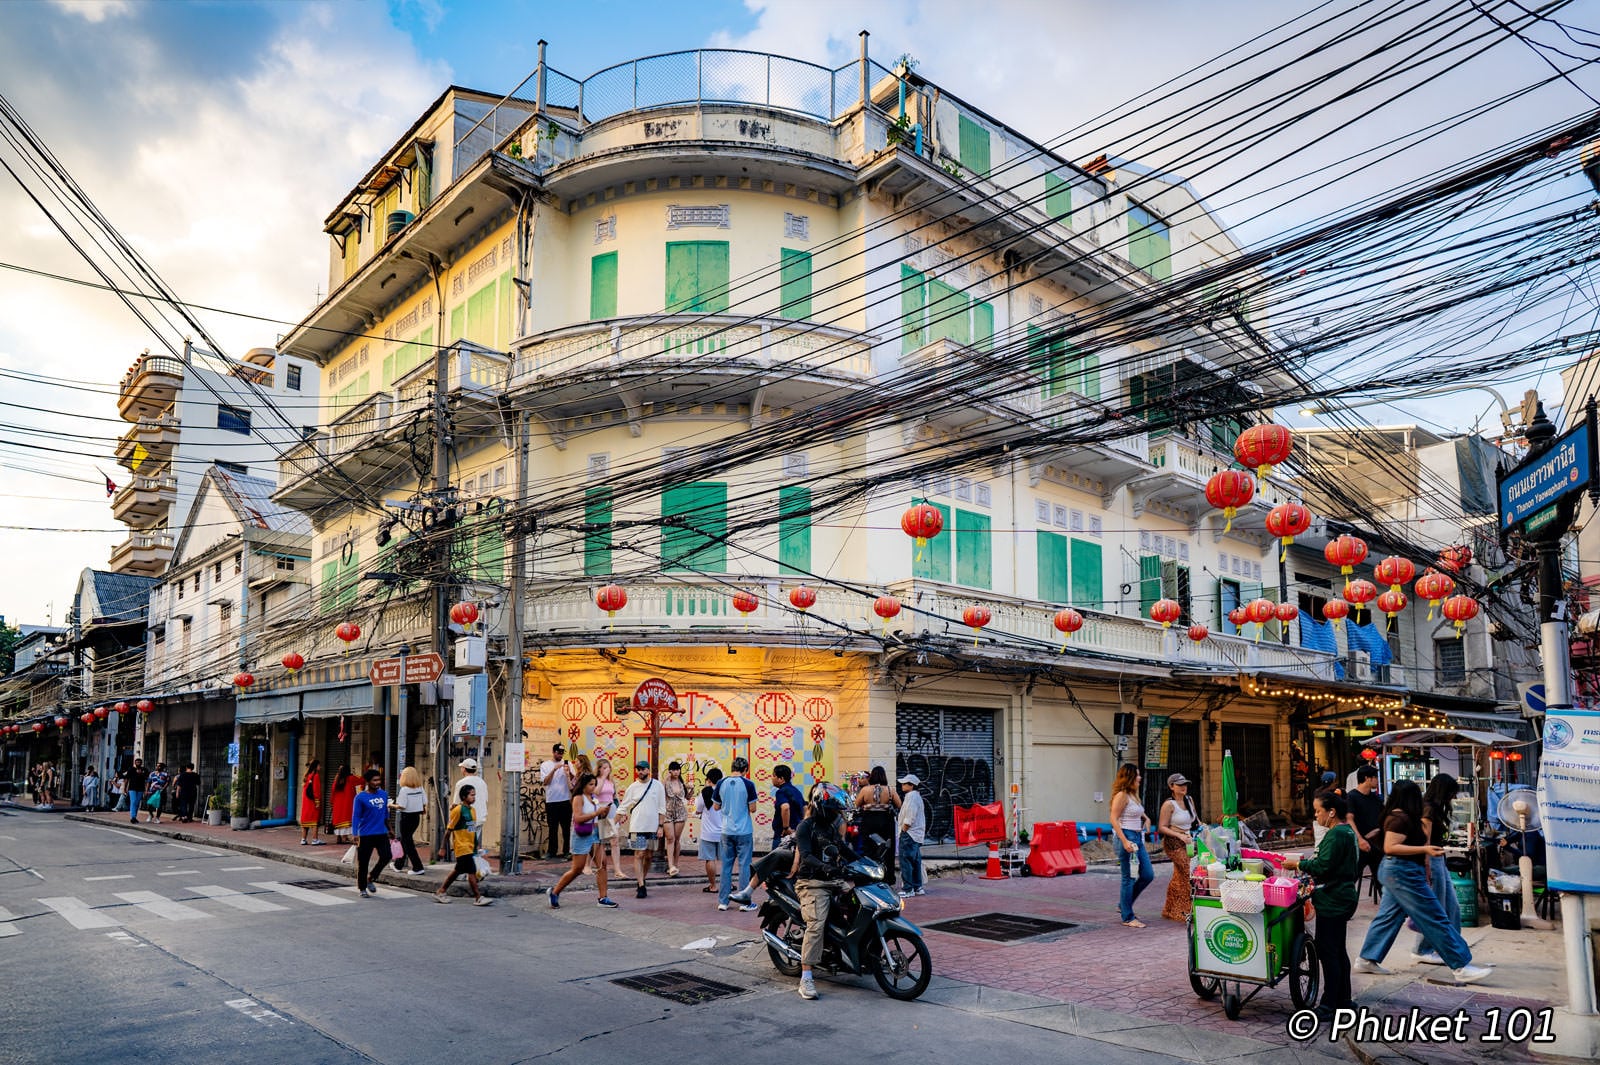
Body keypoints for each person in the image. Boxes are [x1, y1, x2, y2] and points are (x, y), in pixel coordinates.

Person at [1354, 779, 1490, 983]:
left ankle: (1367, 958)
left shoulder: (1399, 816)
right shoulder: (1399, 818)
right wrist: (1424, 850)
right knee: (1434, 916)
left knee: (1388, 917)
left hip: (1398, 871)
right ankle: (1460, 965)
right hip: (1402, 873)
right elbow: (1391, 847)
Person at [1284, 791, 1360, 1016]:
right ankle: (1344, 999)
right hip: (1342, 897)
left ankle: (1329, 1005)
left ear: (1332, 812)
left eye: (1318, 811)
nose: (1316, 815)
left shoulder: (1337, 835)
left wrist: (1298, 865)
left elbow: (1323, 867)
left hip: (1334, 900)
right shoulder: (1346, 832)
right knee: (1337, 950)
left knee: (1328, 951)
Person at [791, 782, 852, 1000]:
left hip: (834, 880)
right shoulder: (806, 827)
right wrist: (824, 866)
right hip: (812, 883)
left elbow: (844, 850)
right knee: (816, 925)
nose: (837, 813)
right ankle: (806, 978)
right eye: (834, 809)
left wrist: (867, 861)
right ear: (823, 807)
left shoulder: (831, 828)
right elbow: (806, 855)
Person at [1412, 774, 1462, 967]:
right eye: (1451, 794)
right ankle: (1422, 949)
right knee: (1437, 909)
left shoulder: (1435, 808)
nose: (1453, 798)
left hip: (1439, 859)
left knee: (1452, 907)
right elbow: (1425, 841)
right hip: (1432, 860)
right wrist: (1426, 868)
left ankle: (1454, 947)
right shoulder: (1429, 809)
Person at [549, 773, 618, 909]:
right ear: (584, 785)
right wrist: (597, 813)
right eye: (590, 785)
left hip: (595, 832)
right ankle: (555, 891)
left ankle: (603, 897)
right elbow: (578, 818)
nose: (593, 787)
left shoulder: (593, 798)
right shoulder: (578, 798)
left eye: (594, 784)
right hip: (582, 834)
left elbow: (596, 816)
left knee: (602, 864)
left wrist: (604, 811)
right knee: (577, 869)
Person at [1111, 763, 1154, 928]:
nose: (1140, 777)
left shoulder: (1133, 795)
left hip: (1138, 837)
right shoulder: (1121, 795)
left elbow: (1136, 811)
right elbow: (1114, 819)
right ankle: (1127, 916)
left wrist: (1147, 818)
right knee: (1128, 878)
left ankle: (1124, 904)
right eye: (1137, 774)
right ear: (1129, 777)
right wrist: (1124, 840)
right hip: (1127, 836)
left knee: (1147, 875)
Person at [435, 784, 493, 906]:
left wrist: (476, 846)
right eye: (471, 795)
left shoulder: (472, 810)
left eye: (474, 795)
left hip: (469, 846)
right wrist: (442, 848)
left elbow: (472, 829)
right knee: (471, 870)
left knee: (458, 870)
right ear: (464, 796)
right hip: (461, 846)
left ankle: (441, 891)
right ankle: (478, 897)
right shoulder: (457, 810)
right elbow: (449, 830)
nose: (474, 798)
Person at [615, 760, 665, 899]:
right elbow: (623, 806)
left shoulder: (658, 786)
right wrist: (614, 823)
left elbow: (662, 808)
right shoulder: (633, 787)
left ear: (648, 770)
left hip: (652, 827)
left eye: (642, 769)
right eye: (638, 769)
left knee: (649, 856)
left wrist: (660, 826)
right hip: (637, 827)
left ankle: (642, 878)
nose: (640, 772)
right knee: (639, 854)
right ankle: (641, 885)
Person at [717, 757, 757, 911]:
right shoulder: (748, 784)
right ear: (746, 769)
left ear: (732, 767)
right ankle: (744, 902)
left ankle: (723, 902)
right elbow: (752, 808)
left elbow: (715, 806)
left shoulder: (721, 783)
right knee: (744, 865)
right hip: (744, 830)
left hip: (726, 830)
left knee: (726, 866)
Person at [1159, 772, 1198, 921]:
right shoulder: (1169, 804)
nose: (1184, 787)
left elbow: (1195, 819)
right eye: (1180, 785)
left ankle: (1169, 909)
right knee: (1189, 872)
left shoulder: (1189, 800)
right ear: (1171, 786)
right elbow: (1162, 827)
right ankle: (1185, 910)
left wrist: (1201, 827)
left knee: (1179, 875)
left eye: (1185, 784)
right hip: (1173, 842)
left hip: (1188, 841)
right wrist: (1180, 835)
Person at [854, 765, 901, 888]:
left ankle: (869, 876)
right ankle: (887, 878)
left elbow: (856, 804)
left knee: (868, 849)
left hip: (869, 821)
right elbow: (899, 804)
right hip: (886, 822)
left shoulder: (865, 790)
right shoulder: (890, 790)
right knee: (887, 850)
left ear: (872, 776)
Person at [350, 769, 393, 897]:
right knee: (363, 862)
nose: (377, 782)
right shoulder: (360, 797)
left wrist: (390, 829)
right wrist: (355, 833)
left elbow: (386, 814)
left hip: (381, 832)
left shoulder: (383, 794)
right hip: (365, 834)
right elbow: (356, 816)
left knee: (386, 856)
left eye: (379, 779)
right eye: (374, 780)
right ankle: (362, 888)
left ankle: (371, 877)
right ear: (368, 782)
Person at [1346, 765, 1384, 898]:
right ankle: (1345, 907)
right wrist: (1360, 839)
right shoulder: (1352, 796)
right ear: (1367, 778)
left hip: (1377, 845)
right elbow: (1349, 819)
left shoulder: (1376, 798)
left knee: (1381, 880)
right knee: (1351, 879)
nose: (1377, 781)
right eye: (1375, 778)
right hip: (1360, 845)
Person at [539, 744, 574, 859]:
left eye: (562, 753)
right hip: (552, 801)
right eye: (558, 752)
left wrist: (569, 772)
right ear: (553, 752)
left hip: (565, 800)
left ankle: (566, 851)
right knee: (552, 828)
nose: (560, 755)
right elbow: (545, 782)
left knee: (566, 828)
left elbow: (575, 779)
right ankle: (552, 851)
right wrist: (554, 770)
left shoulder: (568, 763)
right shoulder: (546, 765)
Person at [393, 766, 428, 874]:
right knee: (405, 841)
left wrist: (391, 805)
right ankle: (398, 865)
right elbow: (424, 802)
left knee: (408, 843)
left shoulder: (404, 790)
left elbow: (402, 806)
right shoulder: (420, 788)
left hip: (406, 818)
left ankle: (418, 867)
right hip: (416, 818)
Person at [896, 773, 927, 898]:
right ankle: (917, 887)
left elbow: (910, 816)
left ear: (912, 785)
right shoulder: (915, 796)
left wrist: (904, 829)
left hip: (909, 834)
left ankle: (908, 889)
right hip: (915, 834)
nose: (902, 785)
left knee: (906, 861)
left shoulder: (911, 797)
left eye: (905, 783)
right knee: (915, 861)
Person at [695, 766, 724, 894]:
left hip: (708, 832)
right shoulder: (724, 791)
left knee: (710, 859)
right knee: (725, 860)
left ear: (708, 779)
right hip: (724, 831)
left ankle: (713, 886)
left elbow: (698, 809)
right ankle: (726, 884)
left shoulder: (705, 792)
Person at [593, 757, 622, 878]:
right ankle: (600, 866)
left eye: (608, 767)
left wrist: (619, 810)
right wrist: (603, 778)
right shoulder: (595, 780)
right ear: (599, 769)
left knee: (614, 840)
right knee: (601, 841)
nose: (606, 770)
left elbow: (614, 796)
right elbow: (597, 792)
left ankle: (617, 869)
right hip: (600, 809)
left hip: (611, 809)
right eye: (604, 768)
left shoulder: (612, 782)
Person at [455, 757, 489, 853]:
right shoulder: (482, 782)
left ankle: (470, 863)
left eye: (462, 767)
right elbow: (486, 799)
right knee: (473, 842)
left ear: (464, 769)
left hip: (467, 819)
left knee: (466, 845)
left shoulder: (461, 783)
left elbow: (456, 803)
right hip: (480, 817)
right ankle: (473, 861)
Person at [662, 762, 689, 877]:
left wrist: (691, 789)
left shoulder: (681, 783)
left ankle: (676, 864)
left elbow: (687, 797)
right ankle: (670, 865)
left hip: (680, 812)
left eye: (678, 770)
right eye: (674, 770)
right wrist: (665, 779)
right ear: (670, 771)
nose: (676, 772)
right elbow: (660, 794)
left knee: (677, 839)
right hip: (667, 812)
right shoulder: (666, 782)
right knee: (670, 838)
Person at [771, 764, 806, 849]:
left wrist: (786, 828)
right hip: (796, 833)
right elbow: (805, 808)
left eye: (774, 775)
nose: (772, 778)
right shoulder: (796, 791)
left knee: (777, 861)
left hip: (783, 835)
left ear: (781, 779)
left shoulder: (781, 792)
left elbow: (785, 807)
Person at [299, 760, 325, 845]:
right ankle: (315, 839)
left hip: (306, 802)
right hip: (312, 802)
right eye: (319, 765)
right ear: (315, 766)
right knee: (314, 821)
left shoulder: (307, 776)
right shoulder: (316, 776)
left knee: (305, 821)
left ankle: (303, 839)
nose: (320, 767)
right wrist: (317, 801)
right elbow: (316, 790)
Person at [330, 765, 356, 843]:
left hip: (337, 803)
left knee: (338, 820)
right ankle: (345, 837)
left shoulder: (337, 778)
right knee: (346, 820)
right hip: (347, 803)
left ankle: (339, 838)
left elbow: (333, 790)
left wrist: (331, 801)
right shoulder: (350, 778)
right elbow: (361, 780)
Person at [1313, 771, 1341, 844]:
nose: (1336, 783)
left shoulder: (1317, 792)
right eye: (1335, 781)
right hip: (1326, 821)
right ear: (1332, 782)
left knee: (1321, 844)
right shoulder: (1332, 794)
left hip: (1319, 823)